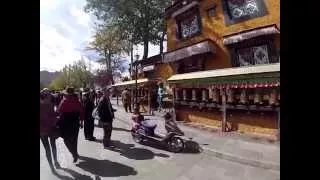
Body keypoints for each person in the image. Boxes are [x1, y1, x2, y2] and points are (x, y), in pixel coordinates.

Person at [58, 87, 84, 163]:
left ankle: (73, 153)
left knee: (66, 140)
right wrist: (82, 122)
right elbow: (81, 112)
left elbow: (59, 110)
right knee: (74, 140)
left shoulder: (64, 100)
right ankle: (75, 153)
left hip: (66, 123)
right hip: (75, 122)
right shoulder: (77, 101)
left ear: (67, 92)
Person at [40, 88, 60, 172]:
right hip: (50, 128)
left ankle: (52, 166)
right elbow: (54, 115)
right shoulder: (51, 105)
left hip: (42, 131)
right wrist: (57, 117)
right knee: (52, 146)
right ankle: (55, 162)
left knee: (48, 149)